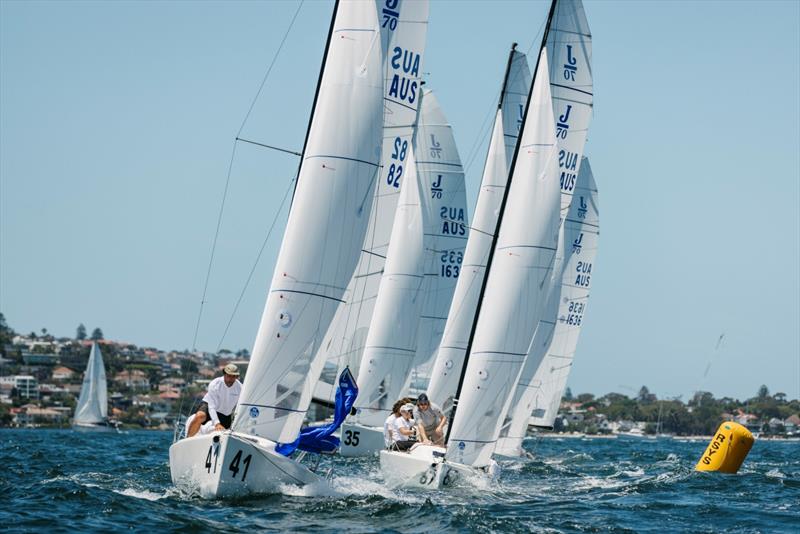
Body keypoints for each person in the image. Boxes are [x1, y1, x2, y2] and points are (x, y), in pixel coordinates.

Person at [187, 363, 242, 437]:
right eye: (229, 376)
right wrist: (217, 423)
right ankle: (187, 439)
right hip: (209, 405)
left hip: (225, 414)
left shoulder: (240, 388)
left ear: (237, 377)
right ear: (224, 374)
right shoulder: (215, 384)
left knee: (227, 434)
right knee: (200, 416)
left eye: (234, 376)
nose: (230, 379)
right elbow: (211, 407)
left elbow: (240, 407)